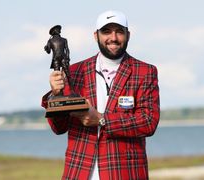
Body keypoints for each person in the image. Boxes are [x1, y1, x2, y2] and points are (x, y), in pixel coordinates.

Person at [41, 10, 160, 180]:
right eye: (106, 32)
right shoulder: (73, 72)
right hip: (79, 173)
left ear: (128, 35)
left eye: (119, 31)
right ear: (96, 35)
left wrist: (102, 120)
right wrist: (55, 94)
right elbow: (58, 128)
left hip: (125, 173)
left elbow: (148, 122)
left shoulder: (145, 72)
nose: (113, 37)